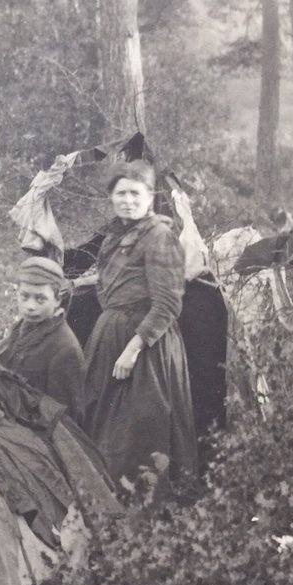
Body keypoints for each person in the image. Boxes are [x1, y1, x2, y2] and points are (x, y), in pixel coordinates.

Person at [79, 160, 197, 486]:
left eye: (135, 193)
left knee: (141, 428)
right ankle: (108, 500)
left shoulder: (160, 237)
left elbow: (168, 303)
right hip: (111, 338)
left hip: (147, 349)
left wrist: (132, 350)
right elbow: (111, 280)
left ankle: (145, 510)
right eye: (121, 193)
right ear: (111, 197)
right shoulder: (115, 236)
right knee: (105, 423)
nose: (127, 200)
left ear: (150, 198)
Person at [0, 256, 85, 412]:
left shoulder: (65, 348)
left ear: (57, 300)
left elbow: (65, 419)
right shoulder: (22, 327)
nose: (30, 306)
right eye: (24, 296)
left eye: (40, 299)